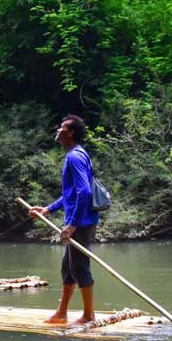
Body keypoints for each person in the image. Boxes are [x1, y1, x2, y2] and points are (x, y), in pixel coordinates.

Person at [28, 114, 100, 325]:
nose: (57, 130)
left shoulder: (75, 157)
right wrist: (48, 209)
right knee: (67, 268)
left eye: (61, 128)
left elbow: (84, 192)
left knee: (79, 267)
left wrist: (73, 224)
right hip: (80, 220)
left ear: (70, 133)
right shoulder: (77, 154)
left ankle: (88, 315)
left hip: (82, 223)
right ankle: (62, 313)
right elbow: (71, 194)